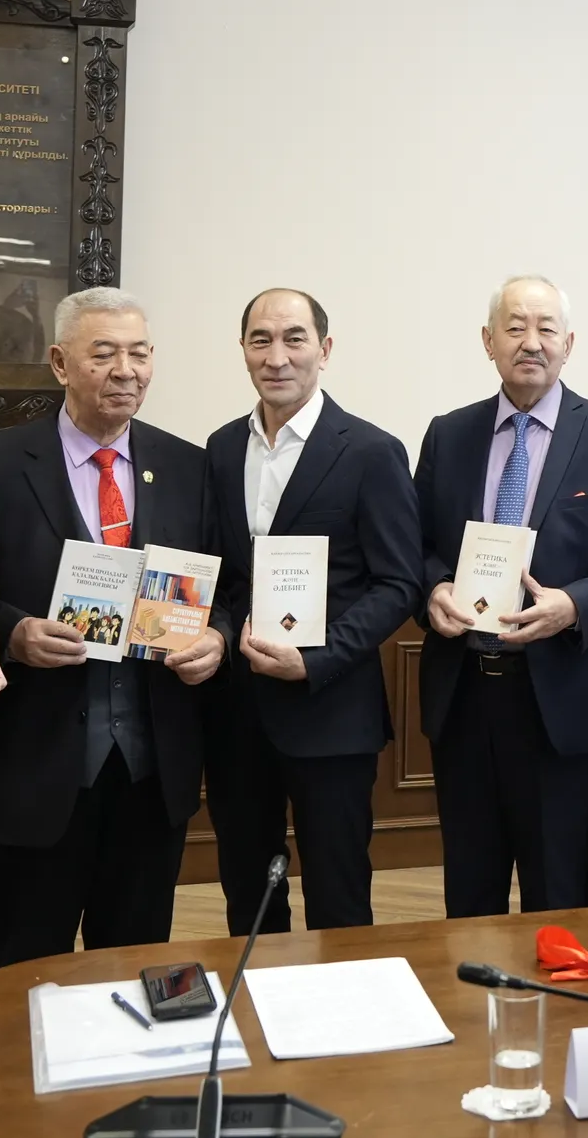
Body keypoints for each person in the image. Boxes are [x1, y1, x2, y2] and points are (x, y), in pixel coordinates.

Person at [0, 287, 220, 969]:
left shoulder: (190, 466)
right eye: (103, 353)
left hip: (149, 769)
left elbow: (224, 586)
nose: (125, 370)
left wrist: (217, 636)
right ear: (59, 363)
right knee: (25, 969)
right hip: (31, 763)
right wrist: (12, 633)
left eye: (139, 353)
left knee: (135, 964)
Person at [415, 276, 588, 916]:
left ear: (568, 344)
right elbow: (416, 549)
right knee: (470, 895)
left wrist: (573, 606)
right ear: (488, 340)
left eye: (546, 328)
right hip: (464, 698)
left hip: (559, 698)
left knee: (557, 894)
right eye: (515, 327)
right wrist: (433, 589)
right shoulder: (447, 435)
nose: (531, 342)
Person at [201, 288, 421, 932]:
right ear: (243, 350)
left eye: (294, 339)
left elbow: (398, 584)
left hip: (332, 711)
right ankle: (256, 993)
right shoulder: (220, 449)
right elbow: (220, 575)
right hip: (237, 712)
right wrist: (218, 633)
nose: (277, 357)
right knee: (248, 891)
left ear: (324, 350)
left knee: (339, 894)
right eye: (261, 340)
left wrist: (316, 660)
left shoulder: (371, 451)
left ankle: (343, 1000)